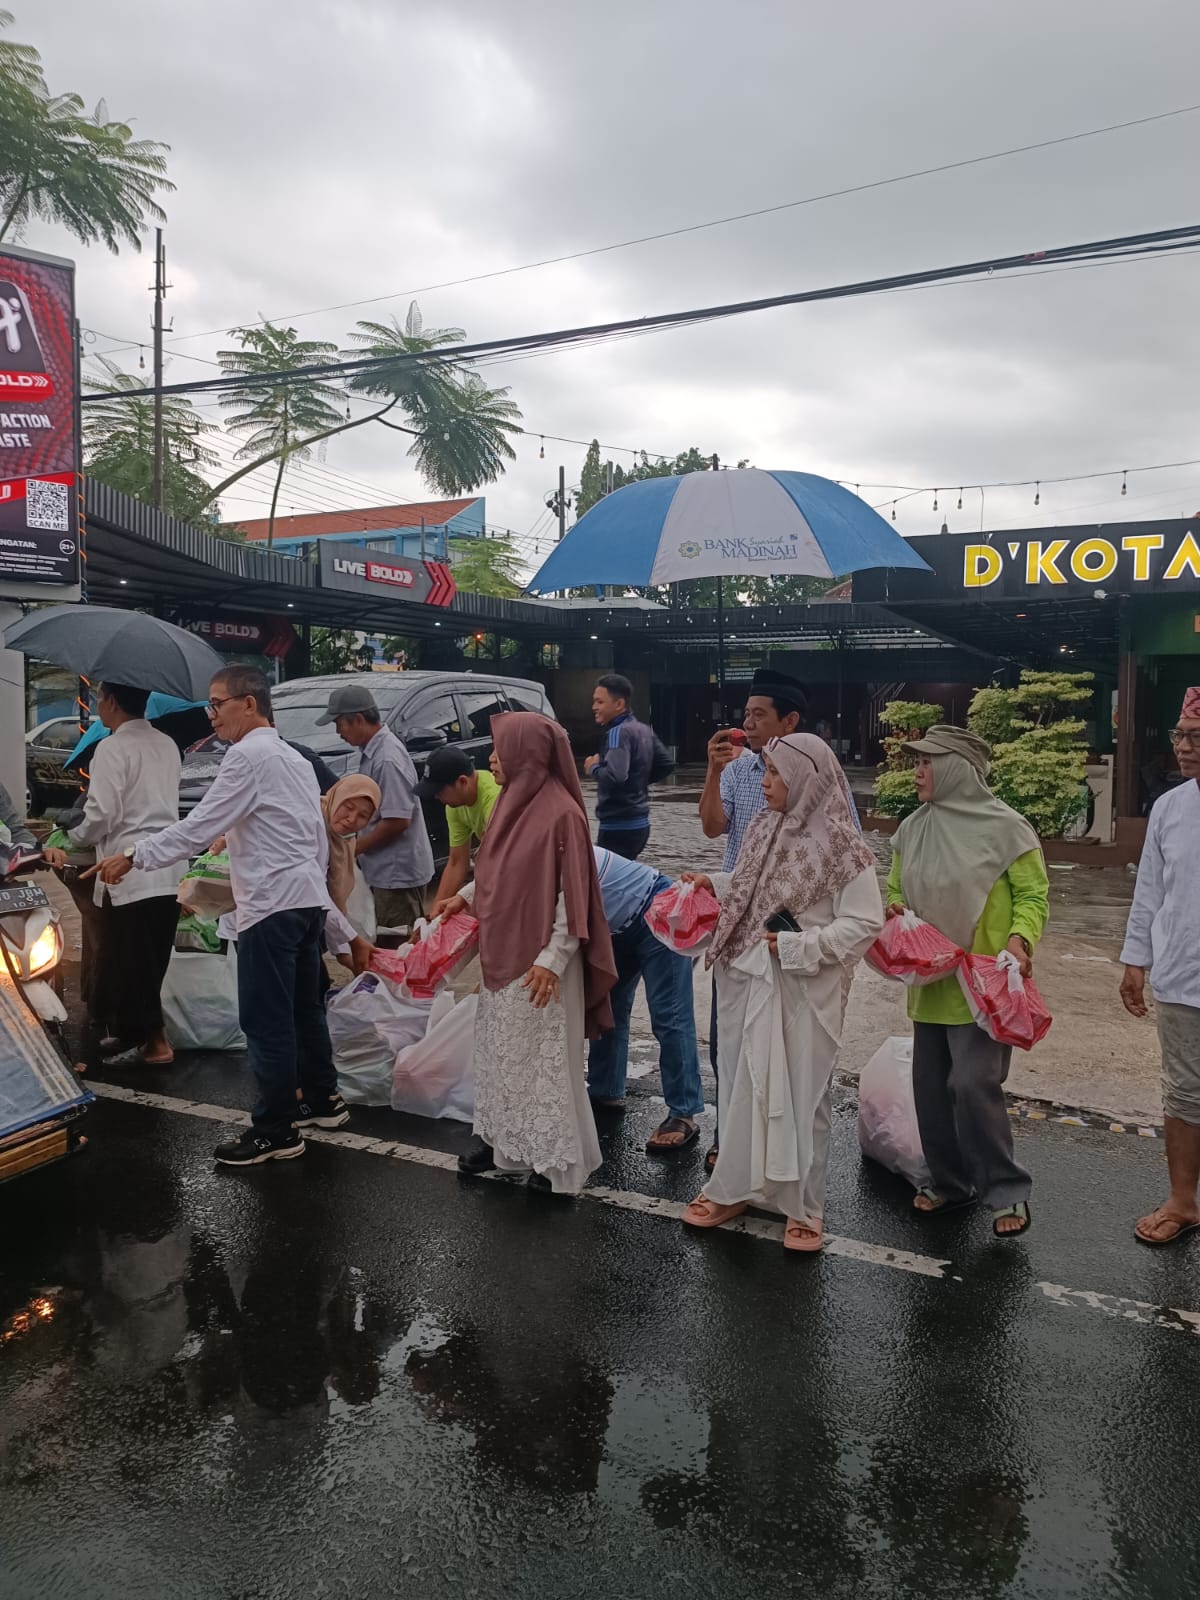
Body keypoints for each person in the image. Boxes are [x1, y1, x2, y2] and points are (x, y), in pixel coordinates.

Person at [87, 665, 358, 1166]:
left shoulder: (247, 756)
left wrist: (133, 856)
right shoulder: (293, 757)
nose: (211, 716)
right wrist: (336, 921)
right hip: (302, 902)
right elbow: (311, 839)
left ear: (249, 704)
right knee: (303, 1008)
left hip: (271, 907)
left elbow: (198, 826)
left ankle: (276, 1130)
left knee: (266, 1019)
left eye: (217, 704)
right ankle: (322, 1100)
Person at [680, 734, 881, 1251]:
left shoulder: (844, 848)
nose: (763, 783)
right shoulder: (762, 825)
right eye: (764, 772)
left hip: (805, 989)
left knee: (801, 1094)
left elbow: (864, 925)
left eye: (774, 774)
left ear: (806, 779)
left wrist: (798, 947)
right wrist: (714, 884)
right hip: (745, 975)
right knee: (741, 1086)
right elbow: (751, 884)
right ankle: (732, 1188)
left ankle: (802, 1206)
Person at [438, 712, 617, 1194]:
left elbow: (571, 897)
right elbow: (502, 871)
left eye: (501, 748)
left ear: (529, 754)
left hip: (543, 962)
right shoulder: (509, 806)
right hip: (503, 954)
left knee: (545, 1064)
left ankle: (554, 1165)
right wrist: (468, 896)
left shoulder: (562, 814)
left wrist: (552, 960)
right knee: (505, 1057)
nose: (492, 758)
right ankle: (512, 1151)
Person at [887, 725, 1049, 1239]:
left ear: (957, 768)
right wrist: (895, 910)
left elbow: (1033, 895)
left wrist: (1021, 940)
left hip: (983, 986)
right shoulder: (911, 829)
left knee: (972, 1083)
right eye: (916, 761)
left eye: (927, 762)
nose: (917, 771)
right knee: (931, 1089)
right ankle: (952, 1185)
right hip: (928, 978)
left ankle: (1007, 1190)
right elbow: (894, 886)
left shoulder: (1007, 828)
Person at [697, 667, 861, 1171]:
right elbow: (711, 828)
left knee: (788, 1055)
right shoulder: (740, 772)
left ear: (790, 721)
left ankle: (787, 1164)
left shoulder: (822, 786)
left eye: (759, 715)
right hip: (737, 926)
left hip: (789, 938)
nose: (747, 724)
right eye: (745, 713)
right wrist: (711, 769)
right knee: (730, 1043)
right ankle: (731, 1142)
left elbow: (845, 863)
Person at [45, 683, 181, 1066]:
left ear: (113, 702)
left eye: (100, 699)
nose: (98, 706)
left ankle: (155, 1044)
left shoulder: (112, 747)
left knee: (133, 961)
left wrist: (75, 833)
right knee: (151, 960)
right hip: (167, 865)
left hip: (129, 869)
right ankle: (137, 1035)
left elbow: (101, 815)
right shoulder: (167, 744)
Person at [1119, 688, 1200, 1247]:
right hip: (1182, 975)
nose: (1183, 747)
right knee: (1184, 1092)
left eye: (1195, 736)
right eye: (1180, 735)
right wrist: (1136, 959)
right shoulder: (1171, 807)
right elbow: (1150, 889)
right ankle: (1183, 1200)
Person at [586, 845, 706, 1153]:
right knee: (608, 1001)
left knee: (670, 1013)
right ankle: (605, 1090)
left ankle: (684, 1112)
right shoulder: (530, 860)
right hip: (615, 924)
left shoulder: (560, 853)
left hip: (656, 906)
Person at [317, 684, 434, 932]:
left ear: (358, 719)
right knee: (380, 943)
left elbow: (398, 820)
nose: (338, 732)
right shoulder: (372, 751)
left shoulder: (387, 758)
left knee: (396, 947)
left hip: (396, 875)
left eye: (339, 724)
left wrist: (352, 850)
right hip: (382, 870)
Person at [584, 673, 657, 859]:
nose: (594, 707)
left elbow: (616, 776)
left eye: (600, 702)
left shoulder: (617, 732)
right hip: (640, 824)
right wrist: (637, 785)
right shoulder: (643, 729)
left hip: (617, 827)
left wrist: (593, 767)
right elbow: (665, 764)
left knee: (605, 884)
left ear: (619, 705)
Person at [419, 745, 501, 906]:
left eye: (439, 790)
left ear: (462, 781)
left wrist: (464, 898)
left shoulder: (494, 799)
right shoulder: (454, 806)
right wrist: (436, 913)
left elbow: (499, 864)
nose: (436, 796)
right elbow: (457, 862)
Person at [321, 773, 381, 974]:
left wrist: (344, 953)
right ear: (338, 797)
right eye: (348, 807)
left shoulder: (345, 840)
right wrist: (350, 944)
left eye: (363, 816)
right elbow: (316, 894)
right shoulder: (312, 828)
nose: (352, 819)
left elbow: (332, 896)